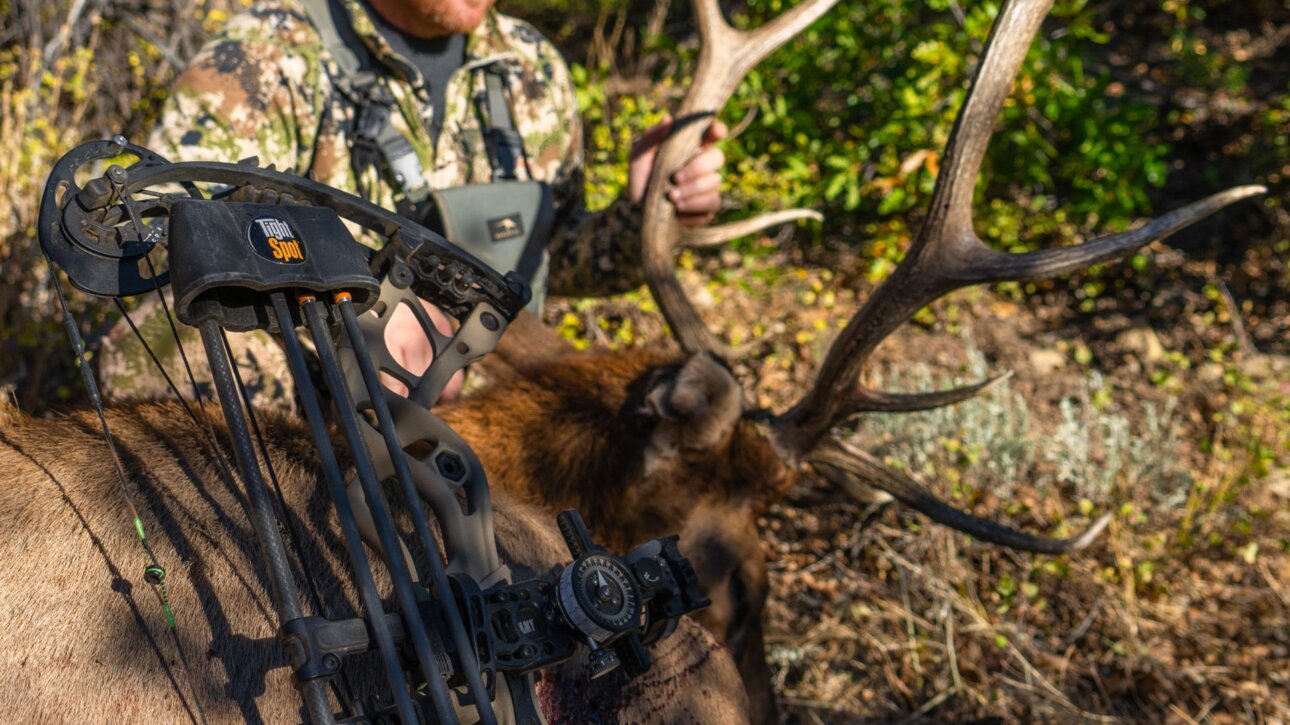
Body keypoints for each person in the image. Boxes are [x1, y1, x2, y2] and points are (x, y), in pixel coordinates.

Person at [98, 0, 727, 407]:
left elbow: (554, 258)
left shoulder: (530, 66)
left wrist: (646, 214)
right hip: (332, 392)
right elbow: (174, 226)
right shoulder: (265, 54)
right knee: (170, 350)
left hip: (495, 391)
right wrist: (366, 307)